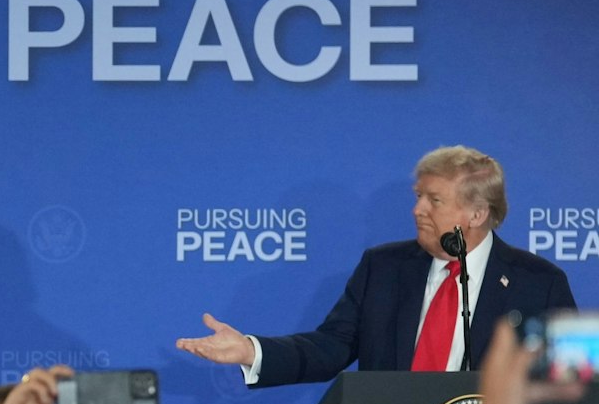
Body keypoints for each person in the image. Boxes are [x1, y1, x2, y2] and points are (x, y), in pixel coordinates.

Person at [176, 146, 577, 386]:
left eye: (433, 200)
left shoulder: (537, 284)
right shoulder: (383, 268)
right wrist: (250, 350)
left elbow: (570, 383)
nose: (417, 209)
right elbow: (330, 348)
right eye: (419, 196)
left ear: (476, 213)